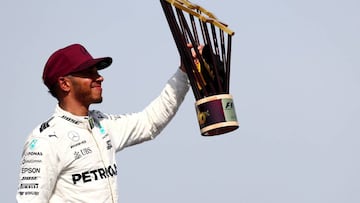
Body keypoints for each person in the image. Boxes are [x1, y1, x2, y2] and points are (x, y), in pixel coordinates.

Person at [16, 43, 191, 203]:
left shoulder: (102, 124)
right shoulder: (43, 141)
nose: (99, 78)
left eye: (97, 72)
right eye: (88, 73)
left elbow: (149, 122)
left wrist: (184, 72)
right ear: (64, 83)